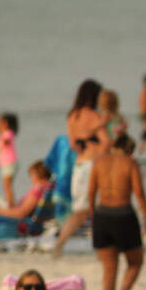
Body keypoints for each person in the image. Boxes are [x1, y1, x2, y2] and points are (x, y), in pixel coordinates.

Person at [88, 133, 146, 290]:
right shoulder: (130, 163)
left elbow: (91, 193)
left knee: (109, 268)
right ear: (129, 149)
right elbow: (139, 193)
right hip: (123, 214)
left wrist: (94, 217)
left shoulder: (99, 162)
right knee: (136, 262)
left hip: (102, 215)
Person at [53, 79, 110, 257]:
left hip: (79, 165)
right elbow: (106, 142)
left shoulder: (73, 116)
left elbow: (72, 144)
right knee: (100, 206)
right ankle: (103, 242)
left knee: (80, 211)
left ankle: (61, 242)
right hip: (93, 165)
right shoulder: (93, 115)